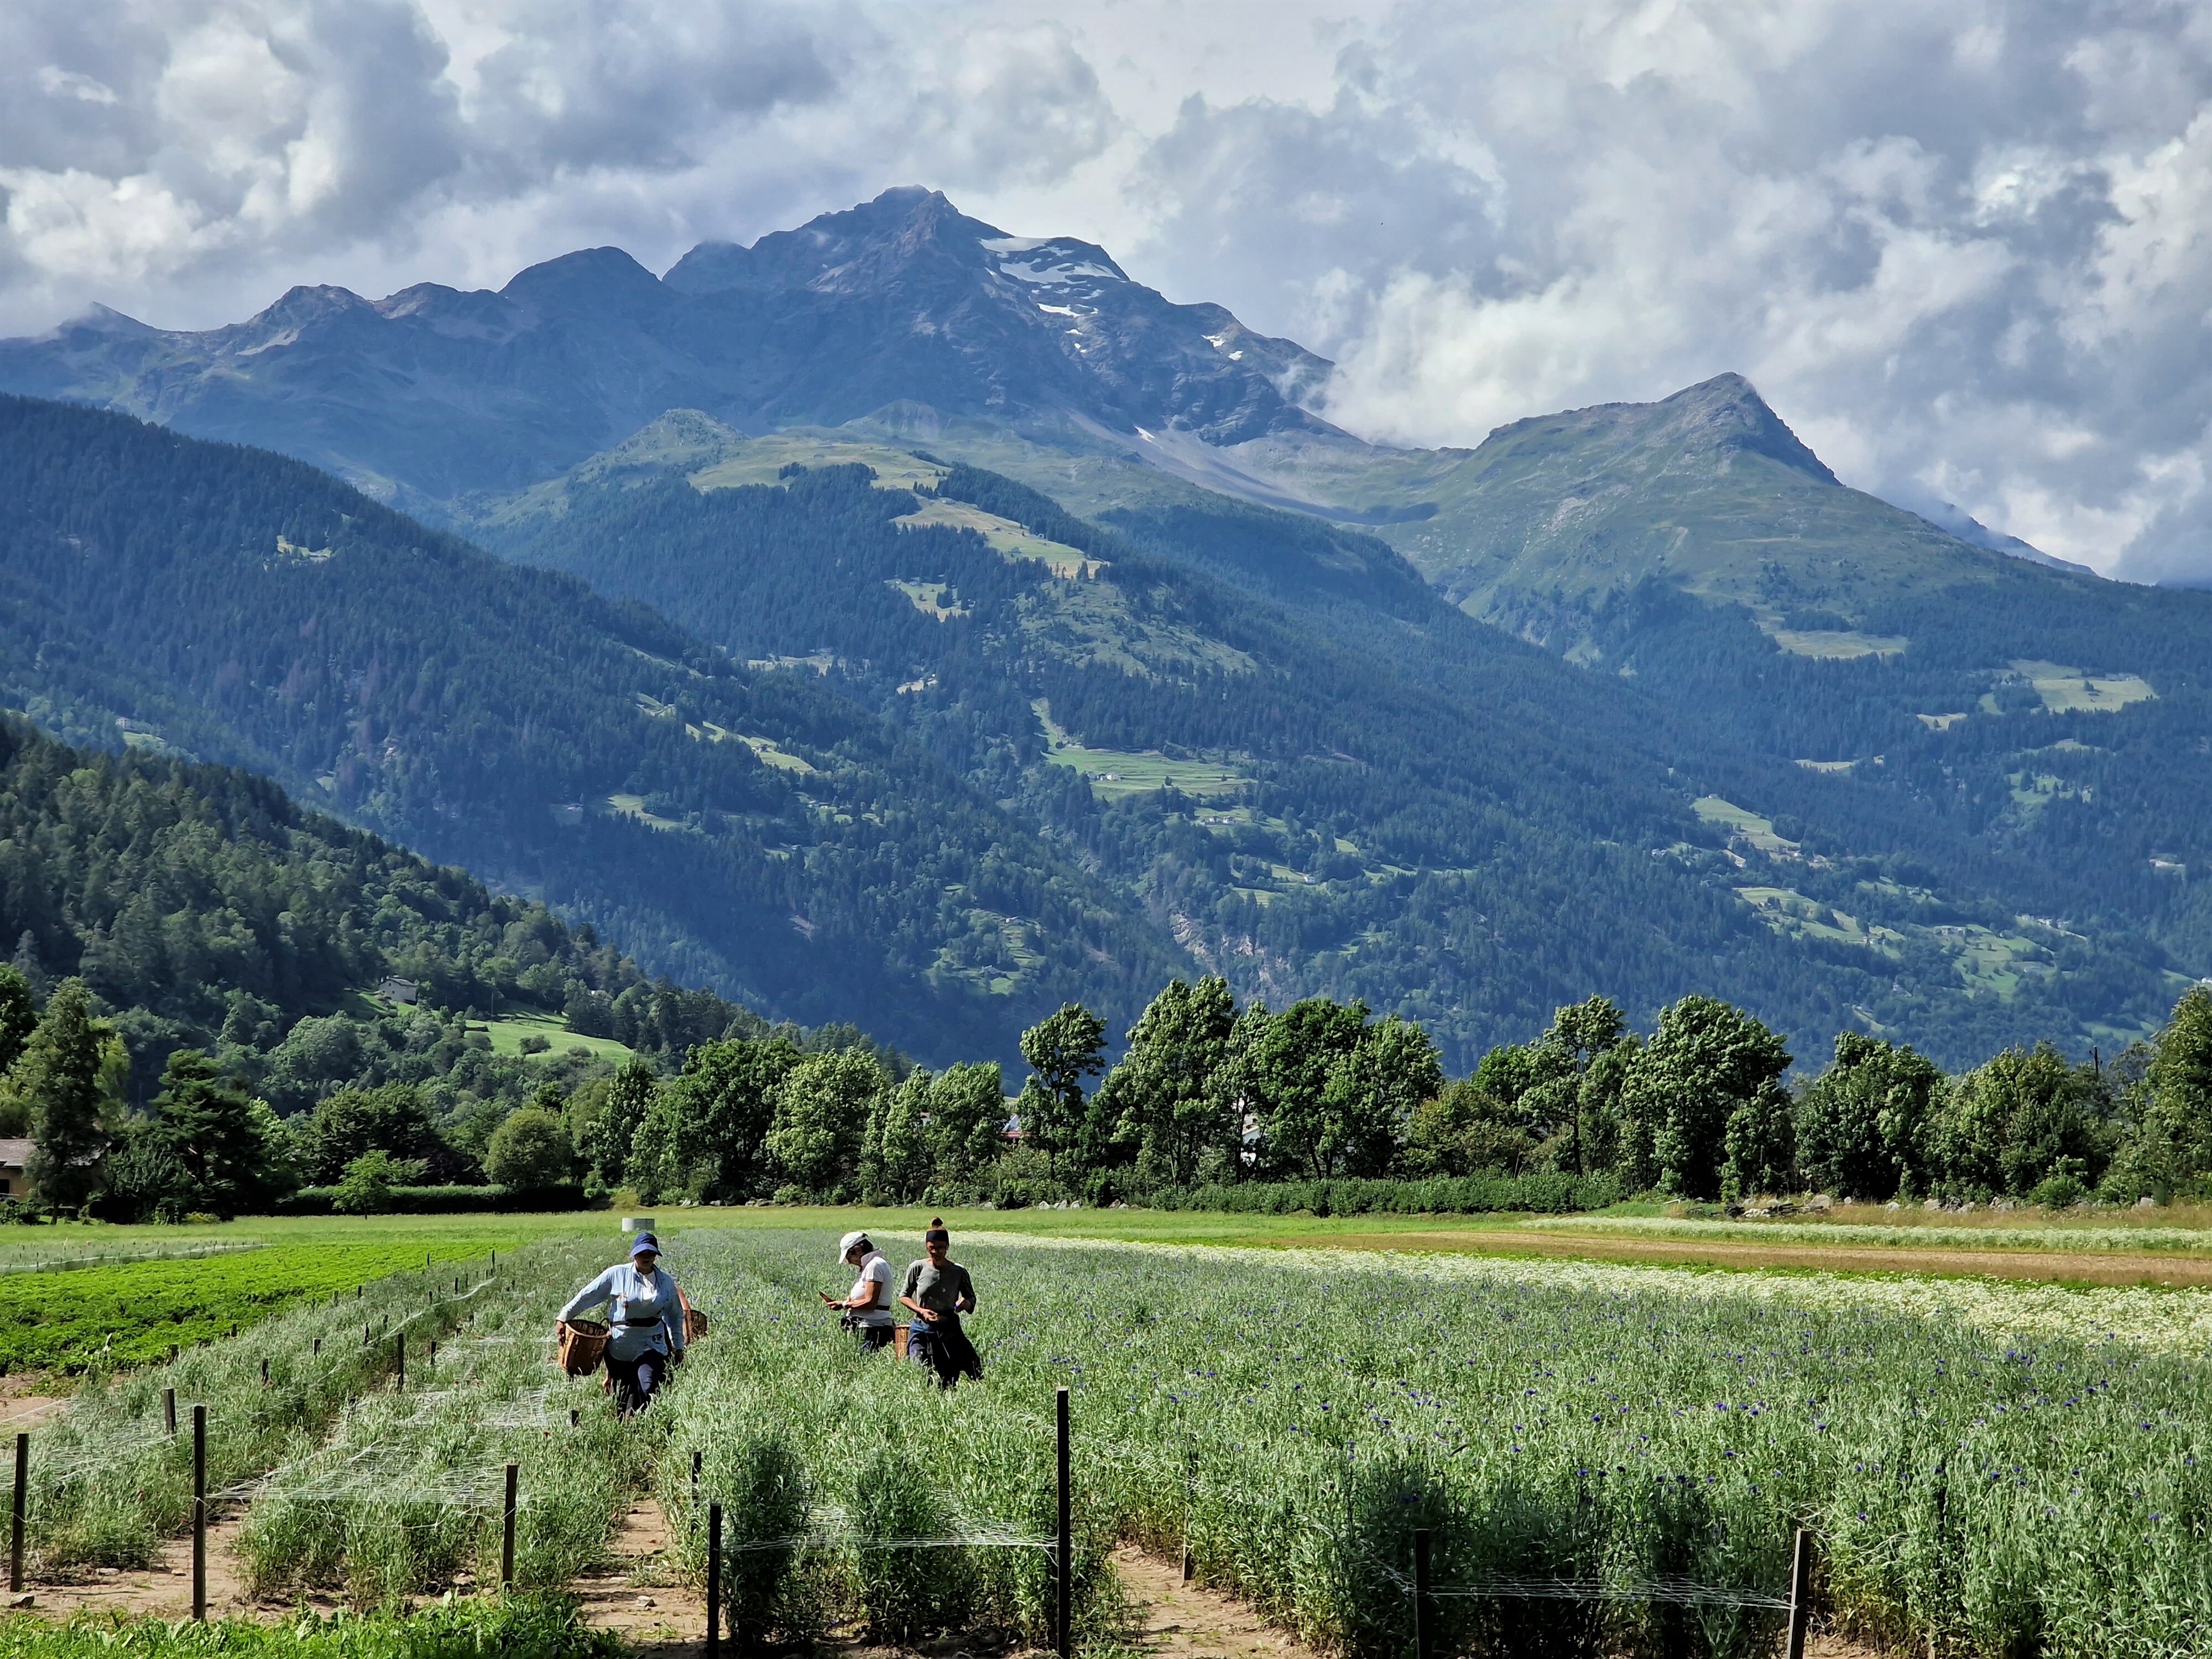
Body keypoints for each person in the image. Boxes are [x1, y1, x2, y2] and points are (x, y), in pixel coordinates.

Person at [556, 1230, 686, 1416]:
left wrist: (678, 1346)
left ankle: (644, 1426)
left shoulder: (665, 1282)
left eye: (650, 1253)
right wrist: (564, 1316)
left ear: (656, 1255)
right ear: (634, 1255)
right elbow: (587, 1296)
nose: (646, 1257)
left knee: (648, 1387)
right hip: (620, 1346)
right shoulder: (617, 1275)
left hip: (652, 1343)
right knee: (622, 1396)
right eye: (641, 1253)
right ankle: (626, 1428)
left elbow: (675, 1315)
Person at [900, 1219, 980, 1389]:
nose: (936, 1252)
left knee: (957, 1374)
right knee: (920, 1371)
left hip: (949, 1330)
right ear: (926, 1246)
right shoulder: (917, 1268)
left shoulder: (958, 1272)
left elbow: (971, 1299)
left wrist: (964, 1303)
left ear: (948, 1246)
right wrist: (921, 1311)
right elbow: (904, 1296)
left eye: (940, 1248)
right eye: (932, 1248)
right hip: (922, 1328)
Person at [821, 1230, 898, 1350]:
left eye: (848, 1256)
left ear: (858, 1250)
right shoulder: (870, 1266)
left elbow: (870, 1302)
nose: (849, 1261)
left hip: (873, 1327)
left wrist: (844, 1304)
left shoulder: (874, 1265)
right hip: (868, 1325)